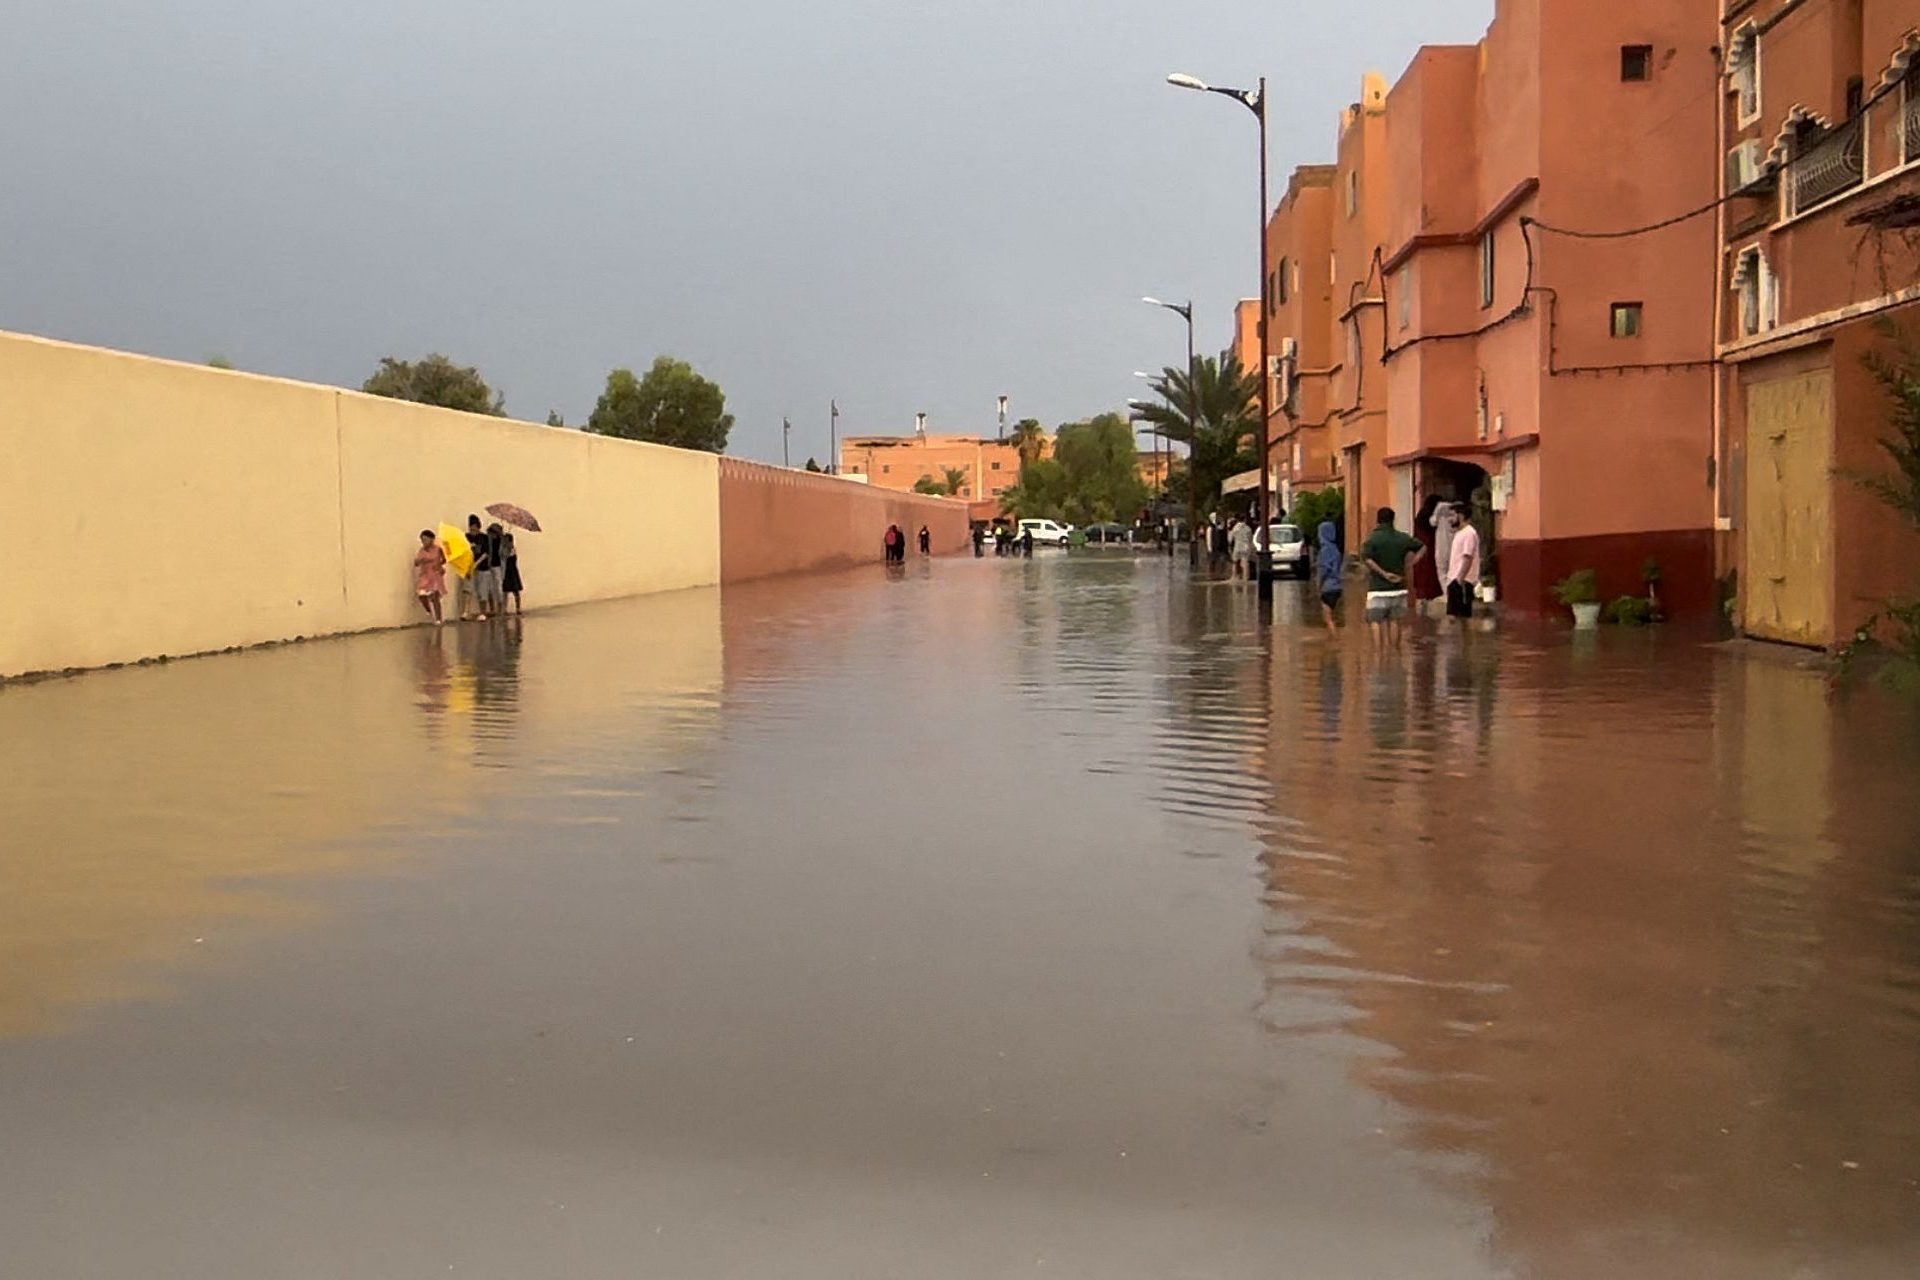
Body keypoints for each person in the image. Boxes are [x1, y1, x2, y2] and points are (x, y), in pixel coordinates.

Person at [1360, 506, 1427, 649]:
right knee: (1395, 621)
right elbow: (1422, 547)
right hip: (1399, 589)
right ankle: (1394, 654)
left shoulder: (1372, 539)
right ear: (1393, 519)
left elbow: (1366, 558)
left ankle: (1379, 656)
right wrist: (1411, 563)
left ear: (1378, 520)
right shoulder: (1402, 538)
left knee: (1375, 621)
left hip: (1378, 589)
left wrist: (1383, 574)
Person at [1443, 504, 1482, 620]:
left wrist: (1460, 578)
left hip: (1462, 580)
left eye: (1452, 515)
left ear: (1461, 516)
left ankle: (1467, 638)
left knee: (1462, 616)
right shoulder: (1459, 533)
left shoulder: (1469, 533)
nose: (1449, 519)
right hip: (1455, 579)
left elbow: (1467, 556)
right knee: (1454, 617)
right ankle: (1460, 638)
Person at [1411, 495, 1445, 615]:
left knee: (1422, 574)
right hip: (1428, 549)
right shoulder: (1428, 516)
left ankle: (1422, 600)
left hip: (1421, 549)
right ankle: (1426, 597)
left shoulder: (1422, 514)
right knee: (1428, 573)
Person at [453, 514, 487, 620]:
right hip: (468, 566)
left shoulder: (483, 538)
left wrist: (476, 564)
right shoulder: (466, 537)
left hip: (482, 567)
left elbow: (486, 553)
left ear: (478, 526)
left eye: (474, 526)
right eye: (470, 526)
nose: (472, 528)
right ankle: (465, 611)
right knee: (467, 589)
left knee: (482, 590)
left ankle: (483, 612)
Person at [1315, 520, 1344, 634]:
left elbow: (1323, 571)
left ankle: (1334, 640)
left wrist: (1318, 586)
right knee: (1331, 615)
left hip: (1327, 588)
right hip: (1337, 587)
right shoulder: (1336, 550)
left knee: (1328, 618)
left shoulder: (1325, 551)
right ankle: (1334, 637)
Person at [412, 530, 447, 625]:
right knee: (421, 594)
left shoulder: (438, 549)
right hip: (425, 575)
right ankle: (429, 610)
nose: (424, 542)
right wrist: (419, 561)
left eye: (425, 539)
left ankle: (439, 618)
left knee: (435, 597)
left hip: (435, 574)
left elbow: (444, 560)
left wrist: (439, 565)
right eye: (422, 540)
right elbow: (416, 563)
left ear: (431, 539)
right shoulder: (421, 550)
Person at [475, 522, 506, 618]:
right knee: (489, 588)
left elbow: (504, 555)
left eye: (492, 533)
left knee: (498, 587)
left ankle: (500, 608)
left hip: (497, 565)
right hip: (488, 566)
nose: (490, 535)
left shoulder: (502, 542)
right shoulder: (487, 540)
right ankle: (492, 608)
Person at [499, 528, 524, 615]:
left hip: (513, 572)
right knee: (505, 591)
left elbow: (512, 557)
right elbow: (502, 557)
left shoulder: (512, 550)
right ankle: (504, 608)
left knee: (515, 591)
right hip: (506, 571)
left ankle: (518, 607)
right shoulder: (503, 550)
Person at [1229, 518, 1254, 582]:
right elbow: (1251, 538)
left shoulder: (1235, 528)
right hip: (1246, 547)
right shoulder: (1248, 528)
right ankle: (1246, 577)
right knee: (1245, 562)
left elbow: (1230, 539)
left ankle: (1234, 577)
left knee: (1235, 562)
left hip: (1237, 546)